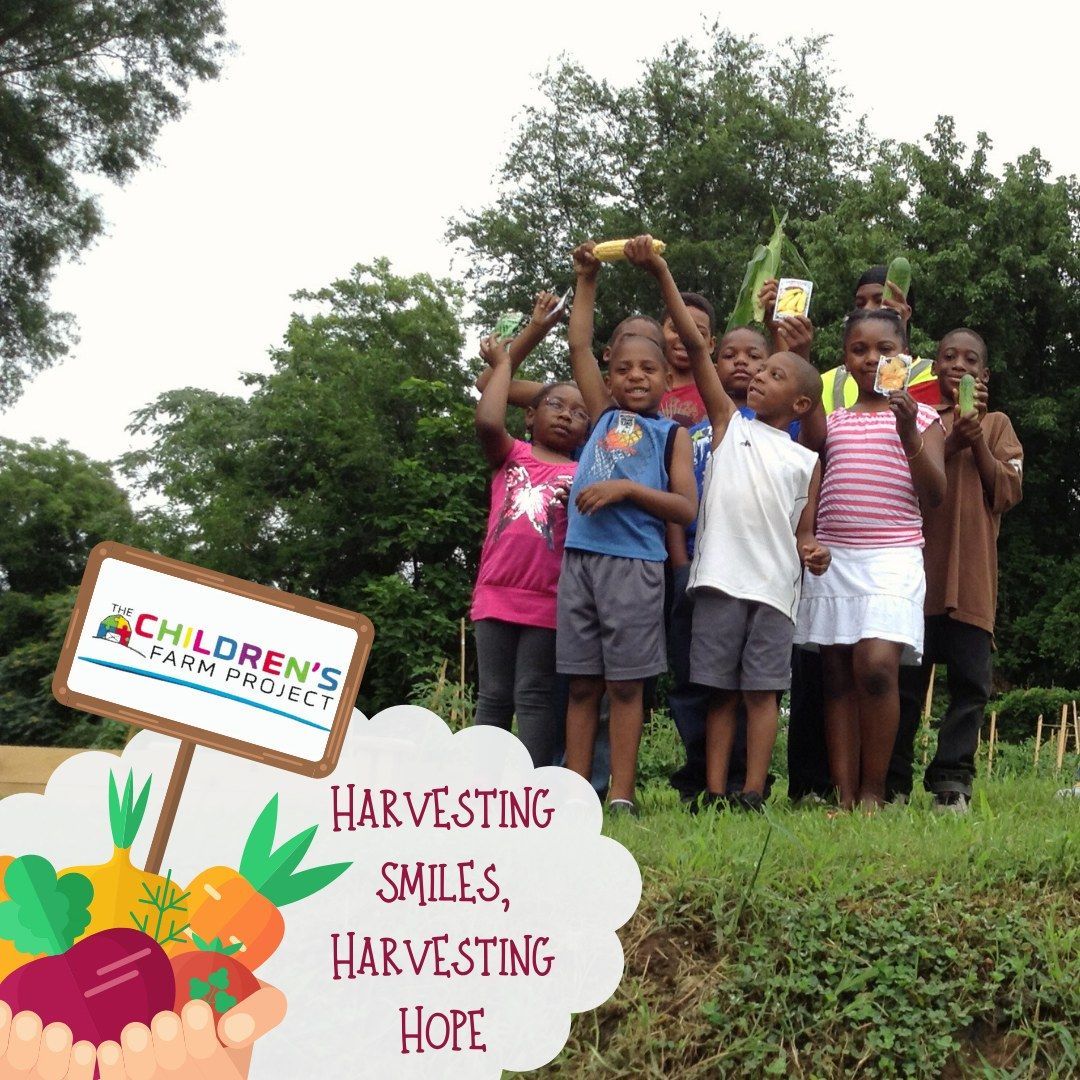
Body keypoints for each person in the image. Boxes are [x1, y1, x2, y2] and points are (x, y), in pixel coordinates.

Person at [558, 237, 697, 815]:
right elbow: (579, 343)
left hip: (636, 567)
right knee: (582, 683)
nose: (635, 376)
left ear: (667, 378)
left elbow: (686, 510)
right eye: (623, 369)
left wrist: (627, 489)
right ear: (609, 380)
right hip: (580, 561)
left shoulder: (672, 435)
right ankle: (569, 794)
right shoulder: (603, 412)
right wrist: (586, 278)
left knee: (625, 686)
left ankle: (620, 793)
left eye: (648, 369)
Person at [670, 301, 825, 809]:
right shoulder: (728, 425)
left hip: (776, 594)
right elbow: (696, 347)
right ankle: (715, 791)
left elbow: (803, 532)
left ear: (800, 404)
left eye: (774, 373)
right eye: (760, 369)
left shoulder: (807, 460)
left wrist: (813, 551)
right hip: (720, 583)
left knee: (763, 695)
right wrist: (660, 274)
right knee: (720, 692)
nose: (758, 375)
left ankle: (754, 792)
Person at [796, 308, 946, 809]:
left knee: (877, 666)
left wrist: (909, 435)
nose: (871, 359)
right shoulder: (833, 420)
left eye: (884, 349)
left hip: (893, 556)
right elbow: (811, 480)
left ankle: (874, 792)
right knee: (837, 676)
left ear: (905, 357)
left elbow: (936, 494)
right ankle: (844, 797)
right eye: (858, 349)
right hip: (835, 558)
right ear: (844, 358)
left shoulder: (924, 419)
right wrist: (809, 537)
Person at [888, 328, 1023, 811]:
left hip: (972, 580)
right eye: (948, 357)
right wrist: (950, 438)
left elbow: (1006, 493)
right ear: (934, 368)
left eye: (970, 360)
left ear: (984, 375)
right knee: (905, 687)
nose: (959, 366)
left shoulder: (999, 425)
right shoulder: (921, 421)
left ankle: (952, 780)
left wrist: (977, 440)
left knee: (969, 685)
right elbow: (911, 479)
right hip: (917, 577)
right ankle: (892, 781)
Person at [471, 334, 590, 767]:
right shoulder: (512, 455)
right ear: (529, 416)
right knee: (494, 696)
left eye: (579, 414)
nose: (567, 417)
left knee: (535, 695)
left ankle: (535, 790)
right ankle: (480, 785)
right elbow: (486, 422)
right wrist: (503, 364)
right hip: (496, 595)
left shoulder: (584, 473)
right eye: (557, 405)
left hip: (548, 600)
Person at [656, 292, 717, 427]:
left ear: (711, 345)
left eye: (698, 332)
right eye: (676, 328)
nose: (686, 337)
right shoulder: (642, 384)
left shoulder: (720, 389)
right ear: (659, 333)